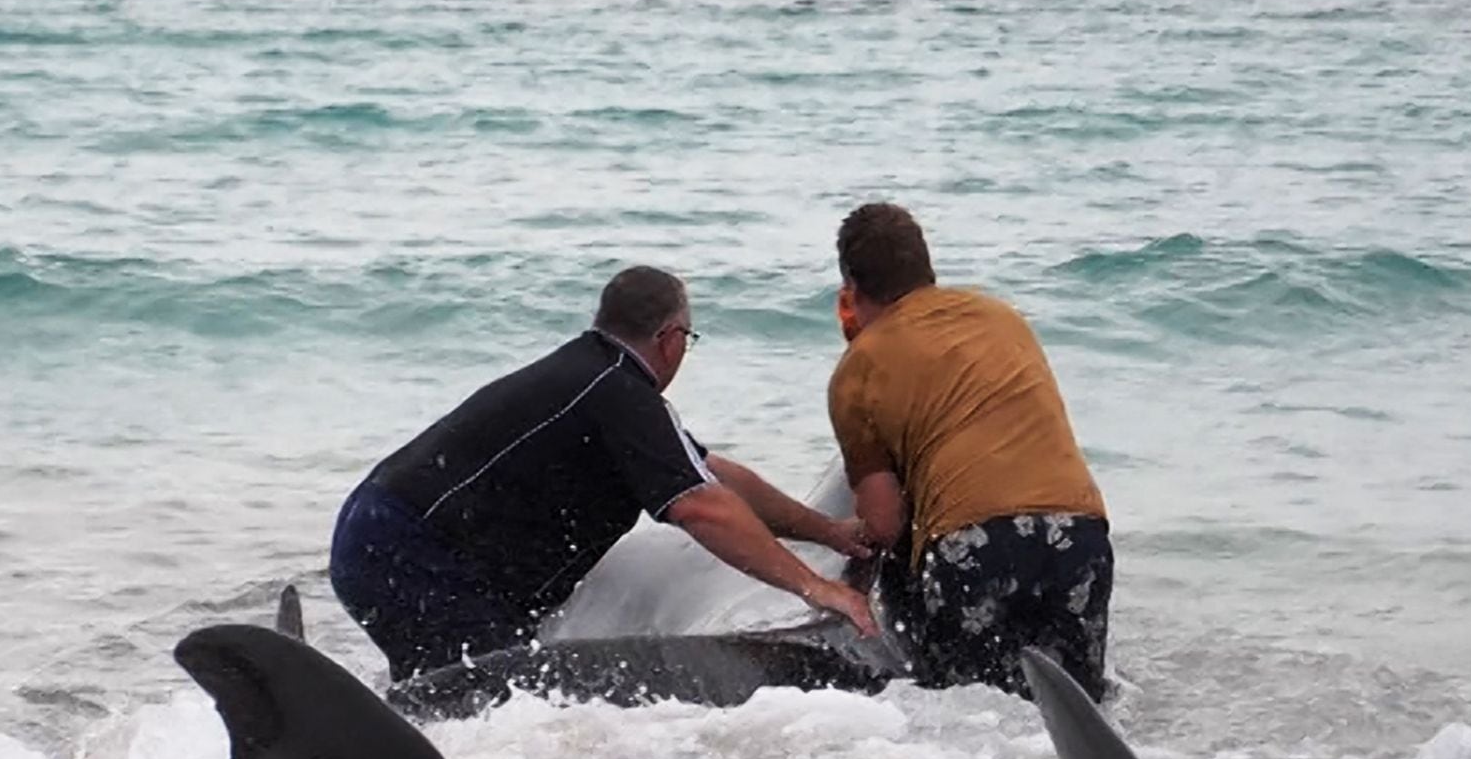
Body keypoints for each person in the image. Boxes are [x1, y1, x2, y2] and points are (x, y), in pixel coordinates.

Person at [330, 265, 877, 682]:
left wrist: (827, 531)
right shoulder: (616, 391)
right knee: (494, 698)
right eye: (688, 340)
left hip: (382, 535)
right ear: (671, 339)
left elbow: (714, 477)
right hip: (405, 548)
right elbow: (700, 507)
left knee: (473, 690)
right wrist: (815, 588)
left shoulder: (600, 382)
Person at [823, 201, 1114, 698]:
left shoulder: (857, 369)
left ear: (851, 286)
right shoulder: (1003, 318)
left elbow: (887, 525)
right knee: (1074, 716)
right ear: (926, 266)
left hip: (974, 544)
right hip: (1079, 531)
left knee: (970, 716)